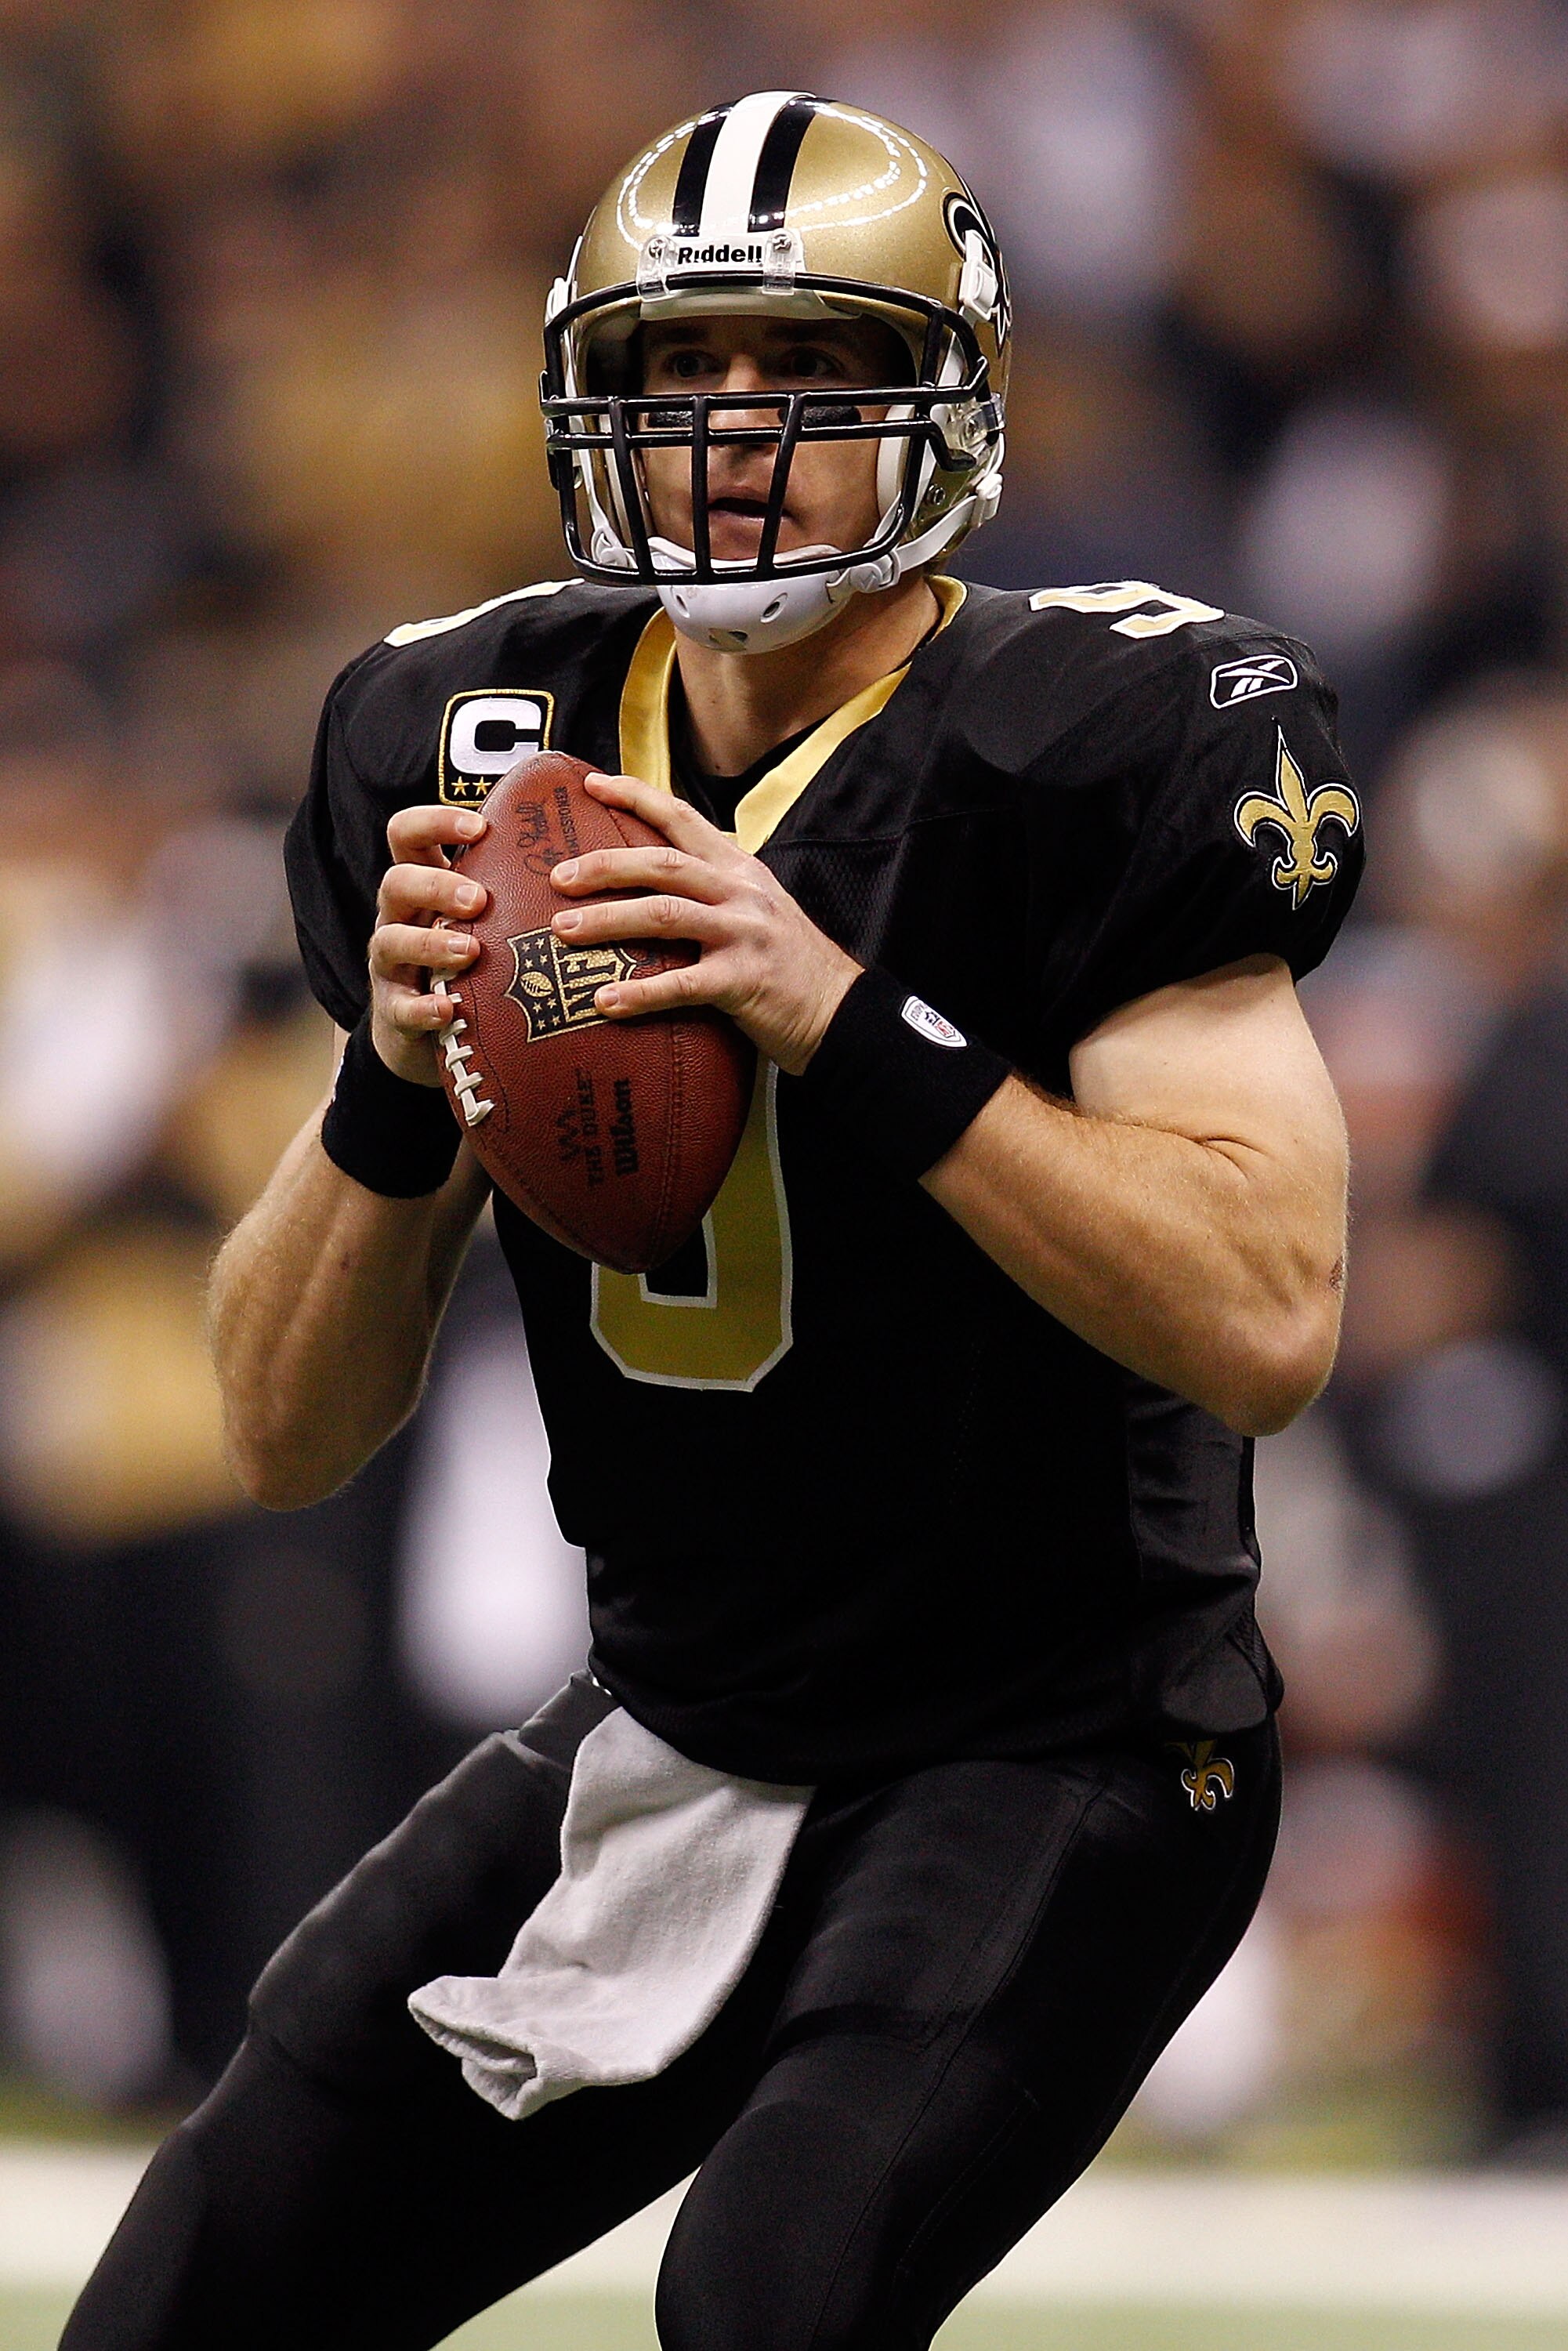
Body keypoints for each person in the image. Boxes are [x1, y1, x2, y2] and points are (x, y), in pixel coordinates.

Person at [65, 92, 1359, 2350]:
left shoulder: (1095, 738)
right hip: (672, 1715)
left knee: (767, 2301)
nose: (733, 428)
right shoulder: (466, 731)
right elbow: (282, 1429)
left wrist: (841, 1016)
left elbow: (1265, 1321)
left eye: (813, 368)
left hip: (1060, 1738)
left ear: (944, 409)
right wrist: (395, 1078)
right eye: (677, 369)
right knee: (186, 2298)